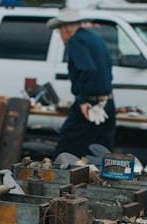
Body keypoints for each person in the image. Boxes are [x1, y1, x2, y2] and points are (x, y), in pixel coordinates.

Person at [47, 9, 116, 158]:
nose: (61, 36)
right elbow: (107, 69)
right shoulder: (94, 38)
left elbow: (88, 70)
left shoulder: (76, 40)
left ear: (65, 28)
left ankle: (60, 178)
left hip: (91, 104)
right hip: (107, 102)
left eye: (59, 31)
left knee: (67, 145)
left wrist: (84, 100)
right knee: (102, 150)